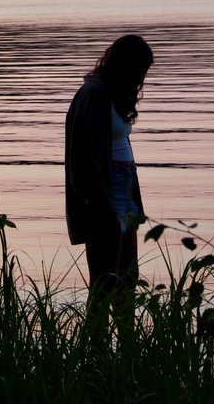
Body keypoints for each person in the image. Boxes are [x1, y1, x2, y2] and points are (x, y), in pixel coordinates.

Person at [64, 34, 153, 304]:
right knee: (105, 282)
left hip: (124, 194)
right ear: (126, 65)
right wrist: (99, 203)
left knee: (128, 278)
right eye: (139, 70)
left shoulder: (113, 94)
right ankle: (95, 345)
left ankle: (127, 344)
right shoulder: (93, 94)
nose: (141, 78)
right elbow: (83, 157)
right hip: (105, 197)